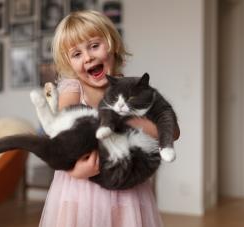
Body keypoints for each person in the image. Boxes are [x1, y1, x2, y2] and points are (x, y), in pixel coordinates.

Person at [39, 10, 180, 227]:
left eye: (94, 46)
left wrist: (125, 121)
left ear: (112, 44)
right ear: (69, 63)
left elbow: (172, 131)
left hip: (126, 190)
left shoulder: (130, 88)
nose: (88, 57)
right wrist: (75, 170)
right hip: (80, 189)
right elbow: (61, 131)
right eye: (76, 54)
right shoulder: (73, 87)